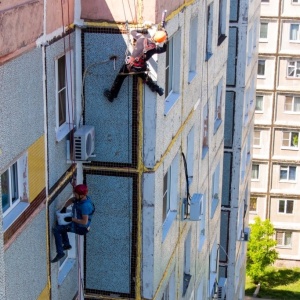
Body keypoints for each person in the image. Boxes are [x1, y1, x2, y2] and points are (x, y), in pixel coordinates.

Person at [104, 28, 168, 102]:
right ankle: (157, 89)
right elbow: (164, 49)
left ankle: (112, 96)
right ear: (159, 41)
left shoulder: (141, 39)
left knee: (120, 78)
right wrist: (166, 40)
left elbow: (132, 32)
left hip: (130, 67)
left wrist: (142, 31)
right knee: (145, 77)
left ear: (154, 35)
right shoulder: (154, 49)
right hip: (140, 68)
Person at [51, 184, 94, 263]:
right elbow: (72, 200)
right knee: (60, 223)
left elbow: (85, 222)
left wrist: (72, 219)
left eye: (76, 194)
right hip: (77, 223)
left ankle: (60, 253)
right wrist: (65, 207)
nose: (75, 195)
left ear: (81, 195)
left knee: (57, 230)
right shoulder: (80, 199)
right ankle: (66, 244)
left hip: (81, 228)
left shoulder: (85, 206)